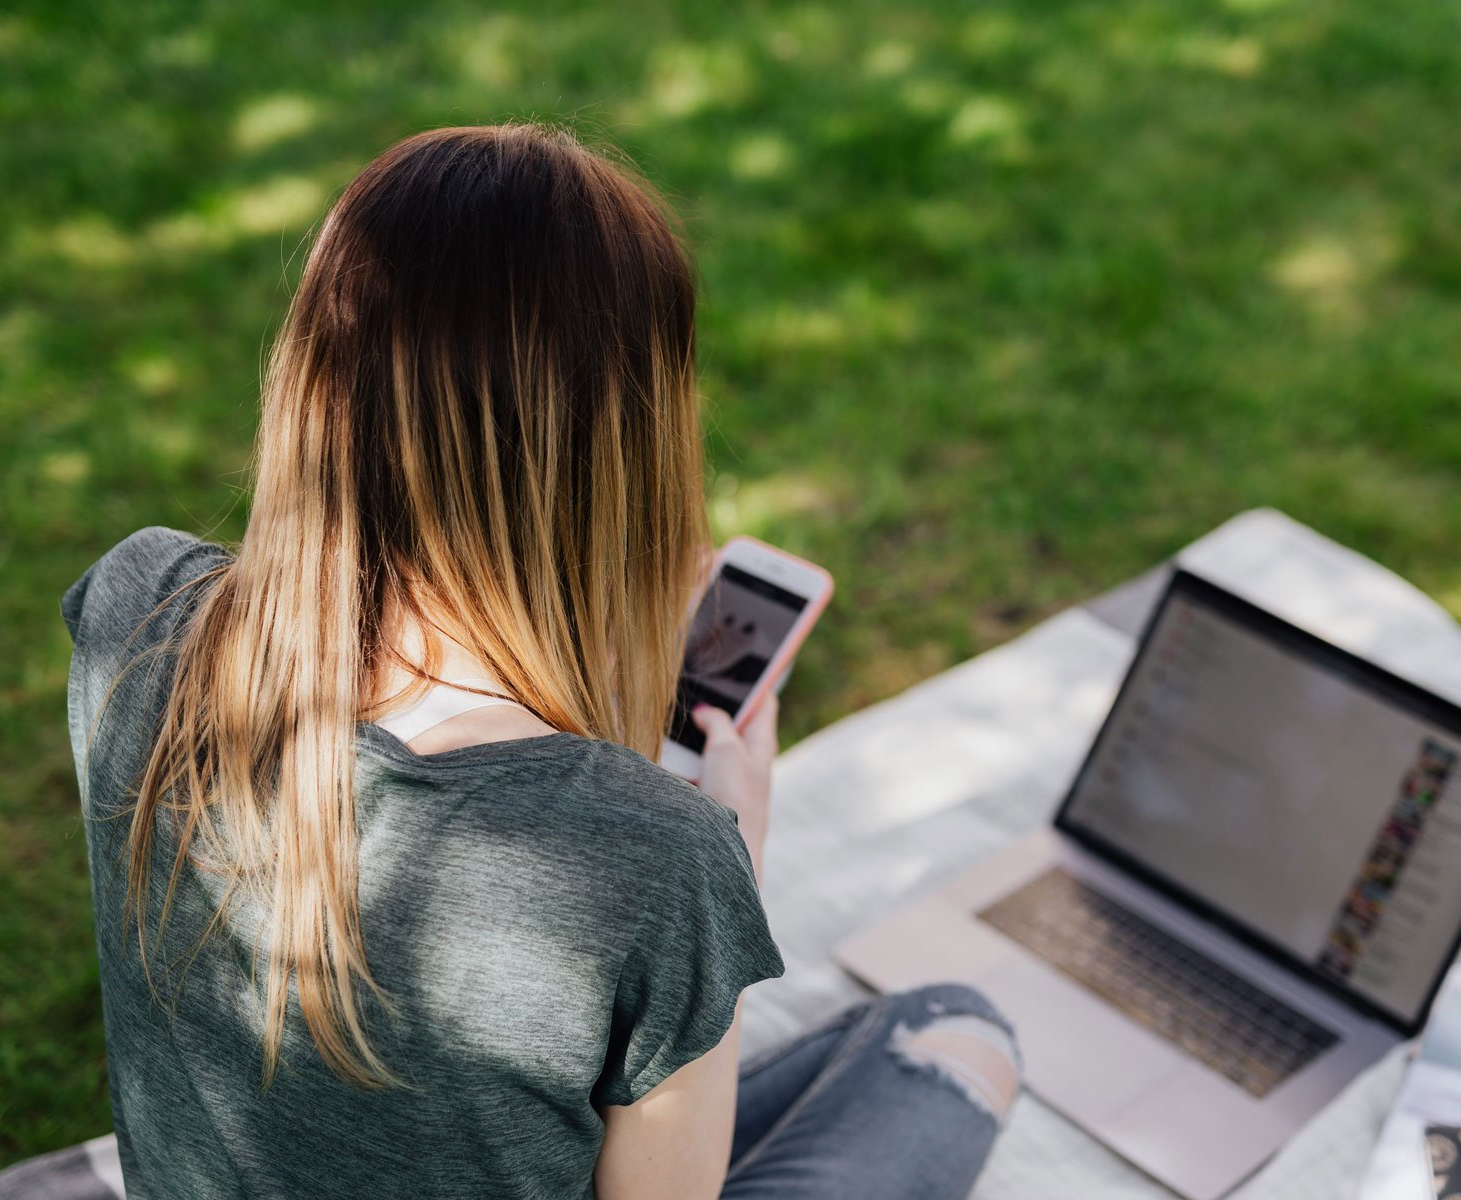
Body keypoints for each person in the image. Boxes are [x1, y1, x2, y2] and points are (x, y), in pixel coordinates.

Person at [61, 123, 1018, 1200]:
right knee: (952, 1035)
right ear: (626, 446)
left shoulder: (132, 608)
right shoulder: (661, 862)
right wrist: (729, 861)